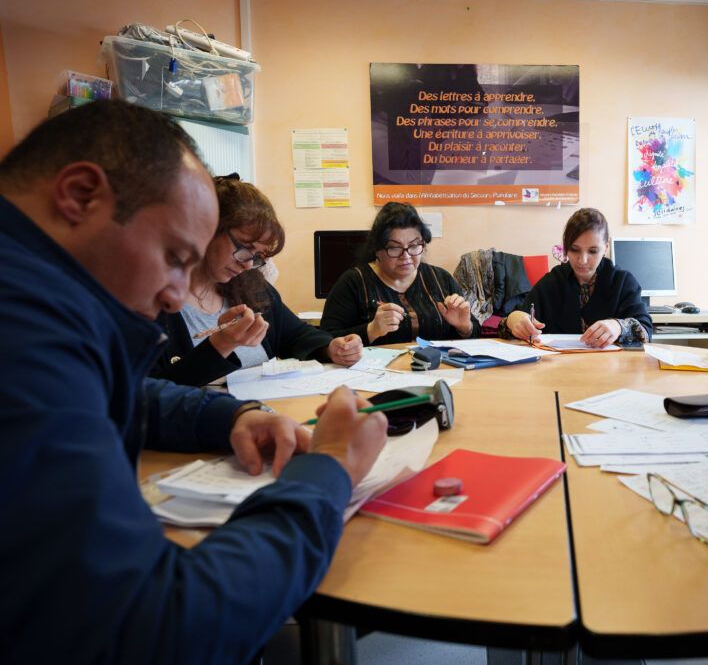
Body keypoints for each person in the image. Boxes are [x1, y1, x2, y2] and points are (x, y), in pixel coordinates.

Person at [0, 100, 387, 663]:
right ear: (80, 195)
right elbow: (161, 628)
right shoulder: (23, 332)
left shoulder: (39, 300)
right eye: (175, 256)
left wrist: (232, 415)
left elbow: (132, 395)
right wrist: (325, 474)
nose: (177, 295)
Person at [150, 174, 363, 386]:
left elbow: (295, 333)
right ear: (207, 228)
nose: (248, 264)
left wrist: (330, 348)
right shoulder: (151, 302)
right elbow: (150, 394)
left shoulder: (251, 287)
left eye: (258, 256)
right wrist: (220, 345)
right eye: (244, 249)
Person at [320, 201, 480, 344]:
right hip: (376, 374)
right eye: (394, 248)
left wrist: (465, 327)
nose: (406, 256)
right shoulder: (354, 282)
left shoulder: (441, 279)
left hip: (437, 372)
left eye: (414, 246)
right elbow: (326, 340)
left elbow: (476, 336)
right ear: (377, 249)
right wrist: (370, 330)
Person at [501, 207, 653, 348]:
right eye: (574, 250)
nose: (583, 260)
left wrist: (619, 326)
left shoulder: (623, 281)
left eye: (593, 251)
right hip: (558, 370)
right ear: (566, 247)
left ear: (606, 247)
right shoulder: (552, 282)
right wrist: (513, 319)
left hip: (611, 370)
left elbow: (646, 330)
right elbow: (514, 321)